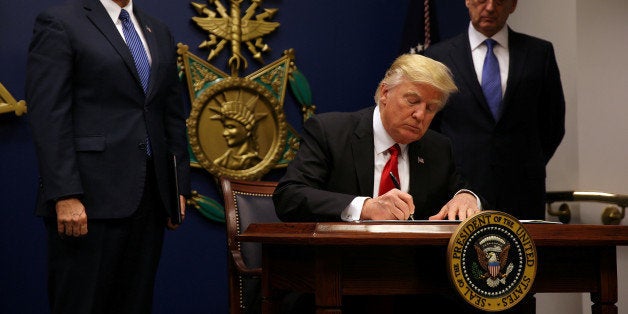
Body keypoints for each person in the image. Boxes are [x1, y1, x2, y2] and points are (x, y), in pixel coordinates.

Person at [26, 0, 190, 313]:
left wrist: (177, 183)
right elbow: (49, 116)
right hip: (88, 201)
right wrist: (65, 194)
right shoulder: (60, 22)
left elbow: (171, 114)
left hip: (150, 199)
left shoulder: (159, 30)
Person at [273, 53, 484, 223]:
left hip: (411, 268)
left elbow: (463, 192)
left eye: (430, 108)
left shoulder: (437, 148)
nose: (420, 115)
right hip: (339, 264)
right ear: (385, 93)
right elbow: (289, 197)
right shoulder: (331, 132)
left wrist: (466, 197)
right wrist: (364, 207)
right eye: (412, 101)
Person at [424, 0, 565, 220]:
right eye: (482, 0)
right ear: (468, 1)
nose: (490, 7)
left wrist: (524, 163)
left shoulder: (539, 53)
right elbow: (430, 127)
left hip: (522, 190)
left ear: (513, 5)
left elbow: (553, 125)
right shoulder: (437, 57)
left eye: (499, 1)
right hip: (458, 192)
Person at [211, 97, 266, 170]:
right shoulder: (220, 163)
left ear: (248, 130)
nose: (224, 133)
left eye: (230, 127)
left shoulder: (256, 164)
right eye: (225, 127)